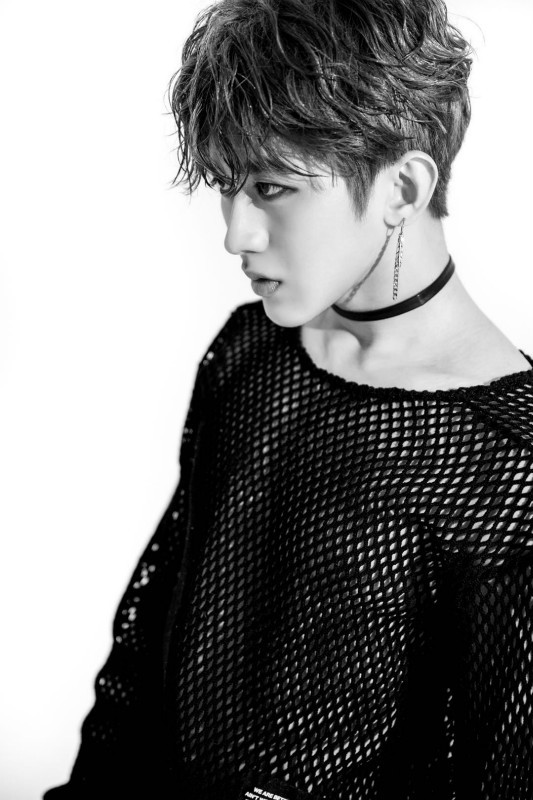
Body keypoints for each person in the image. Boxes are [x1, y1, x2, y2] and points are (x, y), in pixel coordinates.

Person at [44, 0, 533, 798]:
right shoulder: (250, 353)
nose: (235, 233)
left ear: (403, 187)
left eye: (271, 187)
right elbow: (146, 661)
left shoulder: (506, 464)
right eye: (227, 187)